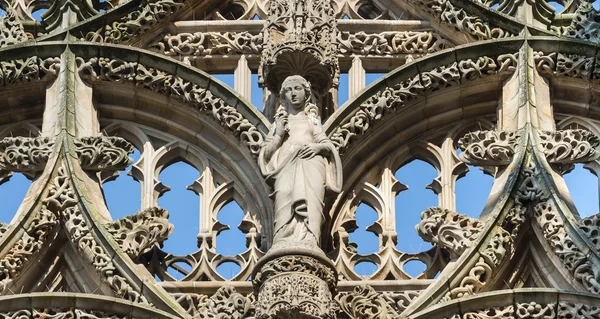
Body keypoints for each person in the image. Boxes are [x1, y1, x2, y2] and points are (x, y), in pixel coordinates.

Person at [259, 75, 342, 250]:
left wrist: (317, 148)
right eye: (288, 90)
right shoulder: (279, 123)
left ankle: (309, 239)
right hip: (286, 166)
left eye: (297, 89)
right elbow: (266, 153)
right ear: (283, 96)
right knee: (284, 198)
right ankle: (283, 239)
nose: (293, 94)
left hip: (310, 164)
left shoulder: (312, 120)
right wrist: (279, 135)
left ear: (306, 93)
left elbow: (326, 144)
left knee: (311, 205)